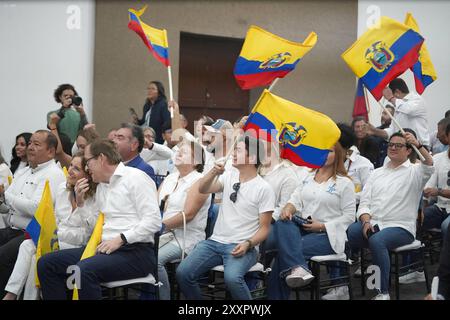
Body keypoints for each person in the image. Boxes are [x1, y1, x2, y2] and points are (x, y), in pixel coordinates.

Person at [37, 139, 162, 300]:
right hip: (104, 248)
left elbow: (153, 221)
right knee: (47, 263)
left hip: (136, 252)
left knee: (83, 270)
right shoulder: (102, 186)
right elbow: (92, 230)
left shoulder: (136, 178)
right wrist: (81, 204)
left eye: (88, 162)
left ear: (101, 159)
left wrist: (121, 239)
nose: (87, 169)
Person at [176, 135, 275, 300]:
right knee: (183, 273)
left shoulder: (264, 188)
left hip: (243, 246)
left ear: (251, 158)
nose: (234, 153)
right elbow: (203, 188)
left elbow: (265, 228)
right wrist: (214, 171)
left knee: (232, 279)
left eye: (239, 150)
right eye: (234, 150)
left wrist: (248, 243)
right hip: (214, 242)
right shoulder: (229, 176)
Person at [347, 131, 434, 300]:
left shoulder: (416, 172)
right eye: (391, 145)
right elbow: (364, 202)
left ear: (408, 151)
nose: (393, 148)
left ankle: (383, 292)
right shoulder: (377, 173)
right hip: (374, 223)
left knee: (377, 240)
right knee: (351, 231)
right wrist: (365, 221)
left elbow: (429, 164)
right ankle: (376, 264)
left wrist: (418, 145)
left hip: (401, 227)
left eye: (399, 145)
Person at [2, 153, 98, 300]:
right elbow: (56, 219)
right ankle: (11, 294)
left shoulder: (96, 196)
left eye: (77, 169)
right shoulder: (62, 189)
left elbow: (92, 231)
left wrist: (81, 204)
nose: (70, 170)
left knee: (37, 256)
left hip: (79, 245)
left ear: (88, 175)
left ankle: (15, 296)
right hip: (58, 239)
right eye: (71, 165)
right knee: (27, 245)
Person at [267, 143, 356, 300]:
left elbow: (349, 216)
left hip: (330, 235)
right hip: (304, 227)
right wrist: (288, 208)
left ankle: (294, 272)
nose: (324, 153)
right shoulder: (308, 177)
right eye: (320, 149)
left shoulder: (344, 183)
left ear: (338, 155)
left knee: (284, 254)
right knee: (283, 221)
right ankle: (299, 268)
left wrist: (322, 226)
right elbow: (295, 200)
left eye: (329, 151)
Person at [0, 130, 66, 297]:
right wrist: (1, 200)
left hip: (33, 234)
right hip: (13, 228)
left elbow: (36, 208)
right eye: (30, 143)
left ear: (51, 151)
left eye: (36, 144)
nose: (30, 148)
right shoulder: (23, 171)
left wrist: (5, 196)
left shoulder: (53, 174)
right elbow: (8, 207)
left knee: (3, 256)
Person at [157, 141, 211, 300]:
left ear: (196, 162)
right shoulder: (170, 178)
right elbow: (155, 206)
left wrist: (159, 227)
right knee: (138, 254)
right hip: (161, 234)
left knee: (154, 260)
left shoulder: (200, 181)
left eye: (184, 152)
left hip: (184, 237)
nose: (178, 153)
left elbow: (188, 215)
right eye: (178, 150)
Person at [367, 78, 430, 148]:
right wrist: (375, 131)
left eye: (393, 95)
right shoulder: (398, 106)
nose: (391, 101)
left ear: (397, 92)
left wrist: (391, 98)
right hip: (402, 148)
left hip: (419, 148)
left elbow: (409, 110)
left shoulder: (418, 100)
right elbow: (392, 132)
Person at [422, 122, 450, 239]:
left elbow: (435, 191)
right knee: (414, 219)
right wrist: (421, 210)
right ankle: (416, 254)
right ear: (448, 137)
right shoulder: (437, 158)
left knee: (446, 227)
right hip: (440, 207)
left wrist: (438, 192)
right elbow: (428, 188)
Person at [337, 123, 374, 202]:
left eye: (337, 150)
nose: (334, 153)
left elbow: (369, 192)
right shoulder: (327, 162)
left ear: (347, 148)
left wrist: (346, 197)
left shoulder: (363, 164)